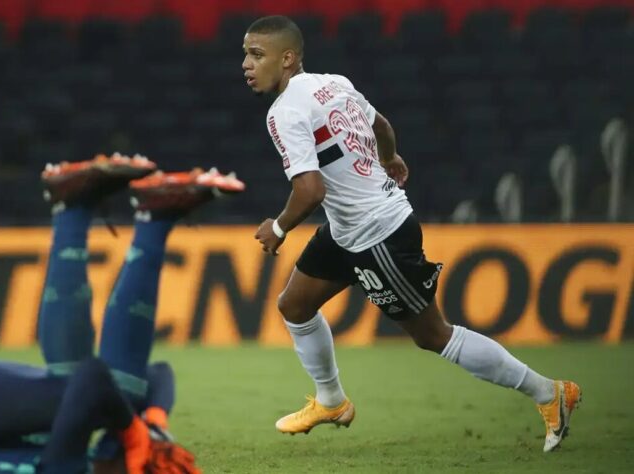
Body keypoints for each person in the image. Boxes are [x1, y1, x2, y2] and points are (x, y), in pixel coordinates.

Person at [243, 15, 580, 452]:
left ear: (287, 59)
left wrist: (279, 227)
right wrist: (390, 157)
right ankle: (331, 401)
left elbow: (310, 190)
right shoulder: (335, 83)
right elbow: (381, 125)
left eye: (256, 54)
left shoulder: (284, 112)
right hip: (348, 228)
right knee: (295, 304)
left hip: (378, 235)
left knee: (433, 335)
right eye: (246, 55)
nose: (246, 65)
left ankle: (550, 393)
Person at [0, 153, 244, 473]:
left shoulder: (63, 464)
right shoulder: (84, 453)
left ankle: (87, 213)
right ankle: (141, 221)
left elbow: (93, 381)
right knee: (118, 392)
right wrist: (155, 425)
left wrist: (135, 434)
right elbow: (157, 373)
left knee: (96, 395)